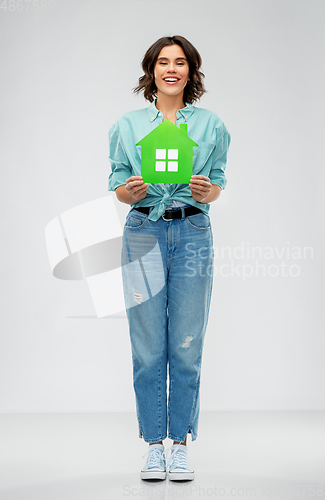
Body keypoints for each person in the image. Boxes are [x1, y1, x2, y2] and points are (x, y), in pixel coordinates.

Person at [108, 35, 231, 481]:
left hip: (193, 230)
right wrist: (131, 191)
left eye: (181, 62)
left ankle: (180, 444)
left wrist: (207, 191)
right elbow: (118, 183)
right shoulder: (127, 124)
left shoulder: (211, 125)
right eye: (164, 62)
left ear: (191, 72)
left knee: (186, 342)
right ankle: (152, 446)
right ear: (151, 71)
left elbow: (217, 181)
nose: (172, 69)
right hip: (143, 231)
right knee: (147, 347)